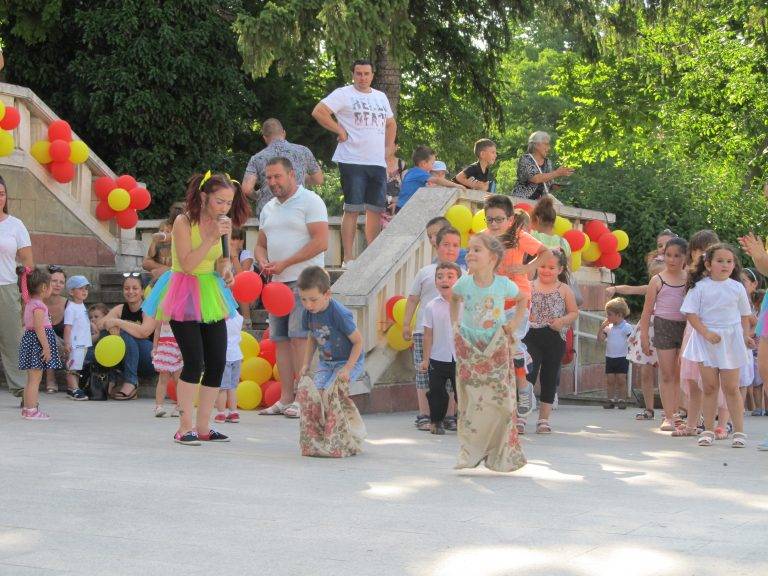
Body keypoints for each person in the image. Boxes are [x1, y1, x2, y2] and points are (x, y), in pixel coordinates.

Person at [142, 171, 249, 445]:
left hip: (211, 293)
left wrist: (226, 271)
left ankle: (204, 426)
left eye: (228, 202)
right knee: (194, 362)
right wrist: (212, 237)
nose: (225, 208)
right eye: (219, 202)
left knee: (217, 362)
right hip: (183, 292)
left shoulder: (222, 224)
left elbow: (221, 261)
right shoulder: (183, 221)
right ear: (204, 197)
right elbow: (188, 264)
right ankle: (184, 426)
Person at [255, 157, 329, 418]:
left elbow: (322, 241)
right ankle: (286, 398)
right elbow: (261, 243)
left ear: (292, 174)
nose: (273, 182)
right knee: (280, 341)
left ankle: (304, 398)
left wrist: (286, 262)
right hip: (276, 285)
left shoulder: (310, 201)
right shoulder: (268, 208)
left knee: (300, 340)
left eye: (277, 176)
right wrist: (262, 259)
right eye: (269, 177)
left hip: (305, 281)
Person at [450, 234, 526, 472]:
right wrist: (455, 323)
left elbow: (522, 298)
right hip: (471, 346)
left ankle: (500, 454)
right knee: (472, 400)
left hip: (496, 345)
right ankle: (470, 452)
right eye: (469, 250)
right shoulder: (464, 283)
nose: (469, 254)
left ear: (492, 258)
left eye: (476, 250)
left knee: (502, 402)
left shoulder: (503, 284)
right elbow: (454, 298)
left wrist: (513, 325)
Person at [312, 59, 396, 267]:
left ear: (372, 75)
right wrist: (339, 130)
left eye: (366, 74)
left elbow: (391, 123)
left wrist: (389, 148)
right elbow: (319, 111)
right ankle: (348, 257)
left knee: (375, 209)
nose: (362, 77)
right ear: (353, 74)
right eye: (358, 73)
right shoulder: (344, 93)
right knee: (352, 208)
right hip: (352, 159)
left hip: (377, 162)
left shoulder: (380, 97)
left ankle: (372, 257)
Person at [681, 243, 752, 448]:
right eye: (720, 261)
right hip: (706, 340)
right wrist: (706, 333)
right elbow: (691, 314)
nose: (725, 265)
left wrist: (745, 336)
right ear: (708, 264)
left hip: (731, 340)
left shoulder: (737, 287)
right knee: (710, 387)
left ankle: (738, 431)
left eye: (729, 261)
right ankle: (708, 430)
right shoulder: (700, 287)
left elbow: (744, 316)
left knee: (731, 387)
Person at [402, 225, 463, 431]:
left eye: (455, 245)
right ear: (436, 245)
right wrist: (406, 324)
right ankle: (424, 414)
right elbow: (412, 299)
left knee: (453, 377)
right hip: (424, 330)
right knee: (425, 374)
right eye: (446, 244)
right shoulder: (426, 272)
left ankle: (450, 415)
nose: (450, 249)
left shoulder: (465, 274)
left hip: (452, 334)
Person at [497, 197, 554, 416]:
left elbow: (546, 252)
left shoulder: (519, 236)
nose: (494, 223)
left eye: (499, 218)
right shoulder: (486, 236)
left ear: (510, 219)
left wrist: (526, 267)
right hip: (494, 300)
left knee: (513, 342)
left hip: (518, 298)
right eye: (490, 218)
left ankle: (523, 387)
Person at [523, 251, 579, 434]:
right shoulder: (529, 286)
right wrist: (525, 314)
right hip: (530, 335)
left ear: (560, 269)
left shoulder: (564, 289)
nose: (546, 270)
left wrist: (562, 321)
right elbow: (519, 307)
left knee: (549, 377)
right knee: (526, 376)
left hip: (554, 337)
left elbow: (573, 312)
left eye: (551, 267)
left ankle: (543, 419)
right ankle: (520, 416)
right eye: (542, 266)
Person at [639, 237, 689, 431]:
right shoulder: (657, 280)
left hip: (686, 327)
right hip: (663, 326)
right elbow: (646, 311)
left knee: (680, 374)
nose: (672, 260)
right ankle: (668, 416)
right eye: (668, 255)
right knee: (667, 373)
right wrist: (644, 336)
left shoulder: (690, 278)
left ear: (685, 257)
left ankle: (678, 413)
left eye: (677, 256)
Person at [675, 230, 721, 437]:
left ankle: (718, 422)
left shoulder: (722, 277)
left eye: (707, 250)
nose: (702, 255)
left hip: (714, 332)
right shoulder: (692, 277)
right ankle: (692, 423)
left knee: (713, 381)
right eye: (697, 250)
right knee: (692, 379)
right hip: (693, 331)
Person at [298, 266, 364, 391]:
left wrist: (347, 369)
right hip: (326, 363)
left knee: (332, 393)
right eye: (303, 299)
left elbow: (358, 342)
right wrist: (306, 363)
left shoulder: (339, 314)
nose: (308, 305)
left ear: (327, 294)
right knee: (317, 393)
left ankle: (343, 411)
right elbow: (312, 338)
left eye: (313, 299)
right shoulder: (308, 313)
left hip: (347, 361)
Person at [242, 118, 324, 218]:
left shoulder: (257, 158)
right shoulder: (303, 151)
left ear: (264, 138)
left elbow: (246, 189)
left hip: (268, 212)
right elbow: (319, 179)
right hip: (298, 209)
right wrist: (301, 176)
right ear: (284, 133)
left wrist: (258, 196)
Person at [0, 174, 33, 398]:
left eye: (1, 194)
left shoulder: (15, 225)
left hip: (7, 287)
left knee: (12, 340)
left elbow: (28, 263)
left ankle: (21, 388)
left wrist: (25, 293)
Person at [99, 274, 157, 400]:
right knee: (106, 334)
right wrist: (109, 325)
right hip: (128, 358)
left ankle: (131, 381)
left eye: (135, 288)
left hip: (150, 359)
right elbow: (100, 324)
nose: (130, 291)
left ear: (142, 291)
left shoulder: (149, 308)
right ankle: (111, 377)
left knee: (124, 334)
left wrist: (118, 323)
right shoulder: (120, 308)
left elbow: (144, 332)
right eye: (127, 288)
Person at [420, 262, 462, 435]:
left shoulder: (465, 304)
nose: (445, 280)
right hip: (438, 357)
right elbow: (428, 335)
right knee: (437, 391)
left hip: (460, 358)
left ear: (459, 280)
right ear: (435, 282)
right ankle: (436, 421)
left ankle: (466, 422)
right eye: (440, 276)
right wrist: (425, 359)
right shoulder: (431, 306)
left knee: (463, 392)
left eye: (450, 276)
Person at [17, 267, 61, 420]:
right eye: (50, 285)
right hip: (37, 344)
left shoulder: (29, 303)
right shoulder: (39, 306)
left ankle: (27, 409)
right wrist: (46, 347)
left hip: (31, 342)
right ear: (44, 287)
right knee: (35, 379)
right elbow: (38, 327)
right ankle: (31, 410)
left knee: (31, 380)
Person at [395, 146, 461, 212]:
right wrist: (455, 185)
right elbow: (437, 180)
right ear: (423, 163)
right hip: (406, 207)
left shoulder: (411, 172)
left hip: (401, 206)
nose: (432, 166)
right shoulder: (420, 173)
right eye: (432, 163)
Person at [512, 131, 574, 200]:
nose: (549, 147)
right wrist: (557, 173)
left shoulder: (548, 162)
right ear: (536, 145)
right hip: (522, 201)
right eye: (546, 144)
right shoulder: (525, 159)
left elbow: (547, 183)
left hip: (540, 203)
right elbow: (535, 178)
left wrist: (556, 185)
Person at [598, 297, 633, 410]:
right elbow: (600, 339)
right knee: (610, 379)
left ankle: (622, 400)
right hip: (610, 357)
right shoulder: (609, 328)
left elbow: (632, 341)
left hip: (622, 357)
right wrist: (601, 328)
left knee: (621, 379)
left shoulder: (627, 327)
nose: (607, 317)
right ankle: (610, 400)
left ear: (619, 314)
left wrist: (632, 353)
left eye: (609, 314)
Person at [62, 275, 91, 400]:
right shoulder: (71, 308)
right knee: (72, 365)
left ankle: (73, 388)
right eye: (80, 288)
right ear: (71, 291)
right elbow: (68, 327)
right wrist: (67, 343)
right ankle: (74, 388)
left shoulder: (82, 306)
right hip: (75, 343)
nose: (84, 291)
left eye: (86, 288)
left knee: (77, 366)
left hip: (83, 342)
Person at [143, 202, 185, 281]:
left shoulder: (187, 237)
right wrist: (166, 269)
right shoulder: (162, 241)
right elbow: (146, 263)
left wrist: (166, 270)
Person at [214, 312, 243, 424]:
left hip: (224, 355)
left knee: (222, 388)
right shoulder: (238, 317)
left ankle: (221, 413)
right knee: (232, 387)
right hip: (237, 355)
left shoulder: (220, 316)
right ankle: (233, 412)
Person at [43, 265, 67, 394]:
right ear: (46, 282)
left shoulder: (69, 304)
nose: (58, 285)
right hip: (38, 348)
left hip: (63, 350)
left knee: (48, 334)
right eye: (54, 281)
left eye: (61, 282)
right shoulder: (38, 302)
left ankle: (51, 379)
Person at [151, 320, 182, 418]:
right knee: (163, 379)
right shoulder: (162, 313)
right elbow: (157, 330)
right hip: (164, 348)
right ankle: (159, 406)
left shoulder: (182, 314)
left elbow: (185, 333)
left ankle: (179, 406)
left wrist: (184, 349)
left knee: (178, 380)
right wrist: (155, 347)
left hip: (178, 350)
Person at [229, 227, 255, 327]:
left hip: (249, 295)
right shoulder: (223, 256)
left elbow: (242, 278)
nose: (231, 242)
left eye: (234, 239)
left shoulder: (245, 255)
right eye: (229, 238)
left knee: (240, 287)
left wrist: (234, 257)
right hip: (230, 293)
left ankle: (247, 321)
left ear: (241, 242)